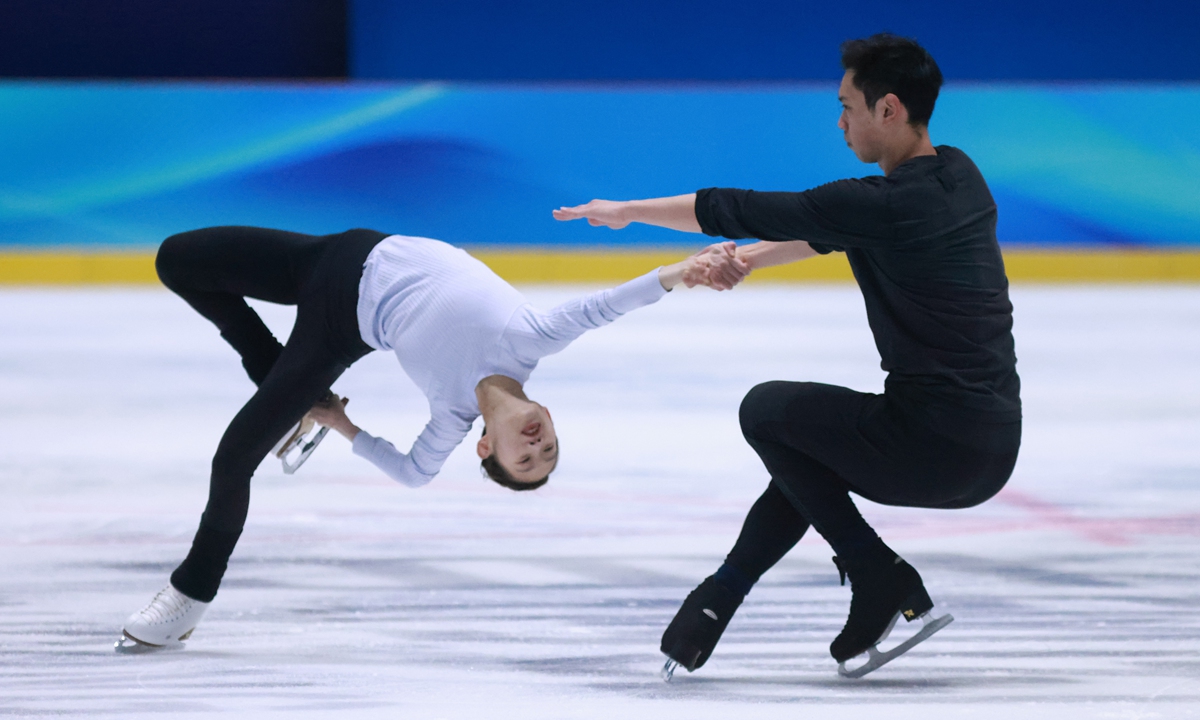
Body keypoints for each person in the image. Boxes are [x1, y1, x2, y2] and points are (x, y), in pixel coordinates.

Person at [553, 33, 1021, 677]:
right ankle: (720, 597)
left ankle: (878, 574)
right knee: (804, 448)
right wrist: (742, 260)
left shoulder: (878, 203)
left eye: (848, 106)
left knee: (767, 410)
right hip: (992, 445)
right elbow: (831, 232)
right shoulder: (958, 176)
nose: (840, 122)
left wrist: (628, 211)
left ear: (888, 109)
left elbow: (733, 208)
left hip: (934, 449)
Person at [116, 226, 728, 651]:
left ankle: (188, 598)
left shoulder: (452, 416)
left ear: (486, 448)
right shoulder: (532, 340)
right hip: (343, 252)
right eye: (549, 451)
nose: (538, 446)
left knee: (233, 460)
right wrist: (679, 272)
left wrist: (342, 424)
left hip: (338, 329)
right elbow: (605, 306)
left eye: (526, 460)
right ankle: (275, 375)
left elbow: (415, 472)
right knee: (177, 258)